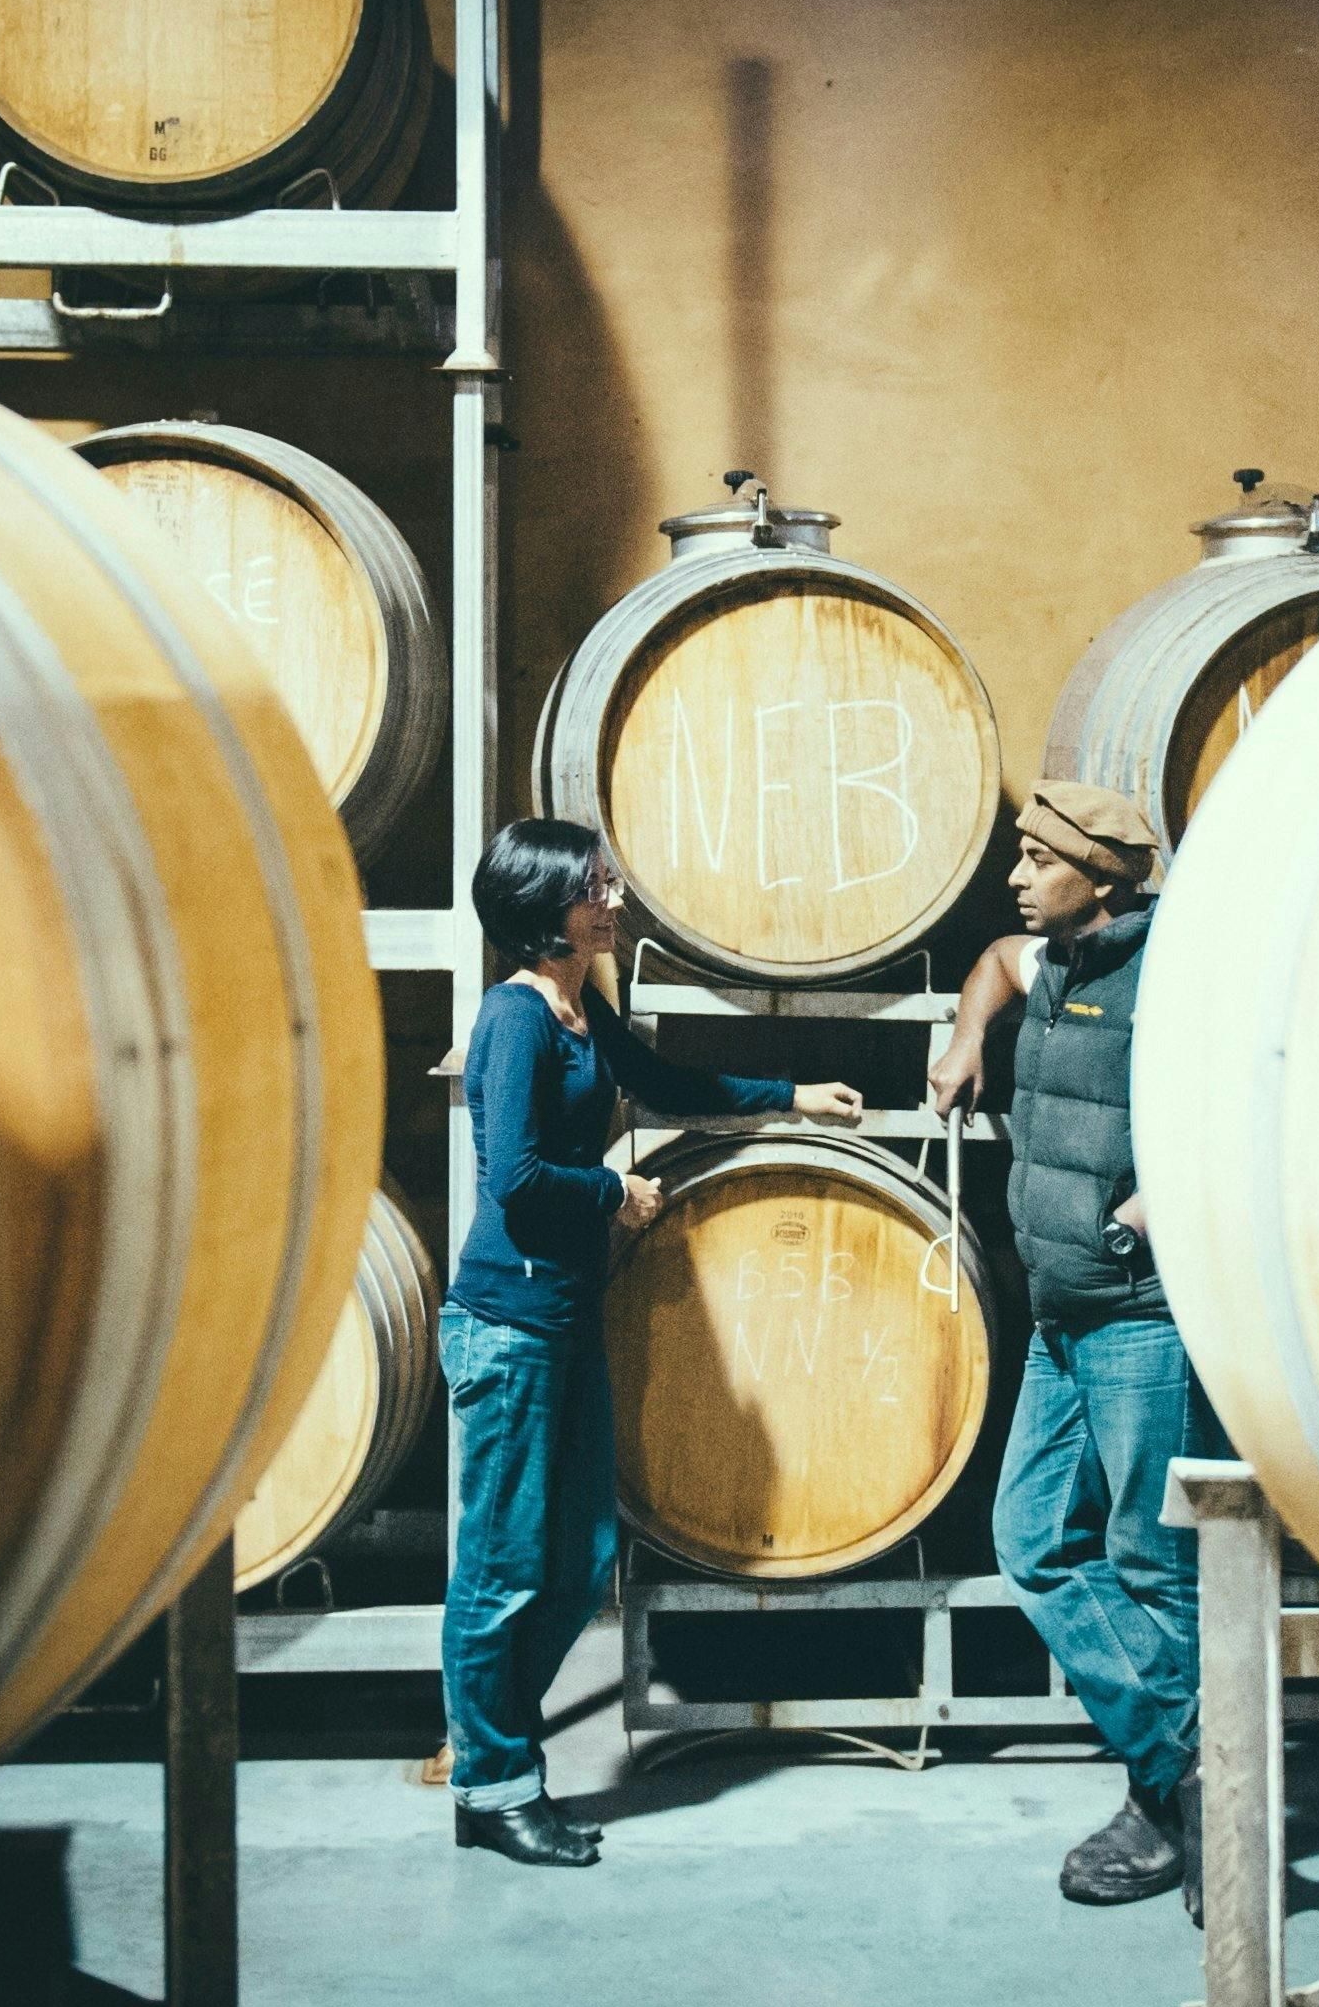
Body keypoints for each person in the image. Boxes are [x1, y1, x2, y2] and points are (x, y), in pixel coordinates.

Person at [442, 818, 861, 1866]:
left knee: (579, 1557)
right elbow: (517, 1181)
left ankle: (496, 1754)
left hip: (561, 1317)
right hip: (507, 1323)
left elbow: (670, 1083)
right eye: (596, 885)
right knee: (502, 1569)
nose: (616, 897)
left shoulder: (583, 1010)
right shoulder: (515, 1021)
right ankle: (492, 1782)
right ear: (549, 907)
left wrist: (791, 1098)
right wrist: (614, 1193)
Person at [930, 782, 1225, 1921]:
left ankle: (1169, 1803)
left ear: (1099, 876)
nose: (1015, 875)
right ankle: (1197, 1767)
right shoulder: (1049, 956)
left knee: (1153, 1565)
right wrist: (966, 1034)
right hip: (1058, 1320)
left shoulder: (1174, 972)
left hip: (1138, 1314)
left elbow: (1237, 1092)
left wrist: (1142, 1210)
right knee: (1031, 1539)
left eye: (1036, 858)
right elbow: (997, 962)